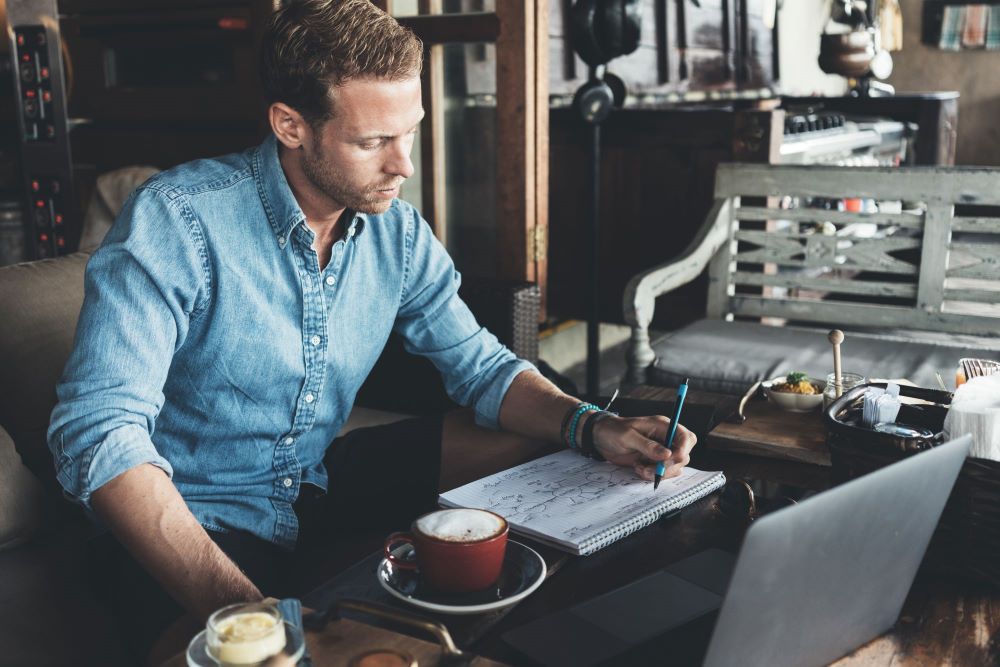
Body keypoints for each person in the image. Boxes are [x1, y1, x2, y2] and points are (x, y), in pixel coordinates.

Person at [47, 0, 696, 660]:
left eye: (408, 132)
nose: (403, 166)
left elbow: (482, 368)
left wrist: (594, 424)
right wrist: (251, 612)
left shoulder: (397, 232)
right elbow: (98, 431)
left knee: (555, 440)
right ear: (291, 126)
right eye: (372, 142)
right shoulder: (179, 221)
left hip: (314, 479)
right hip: (201, 509)